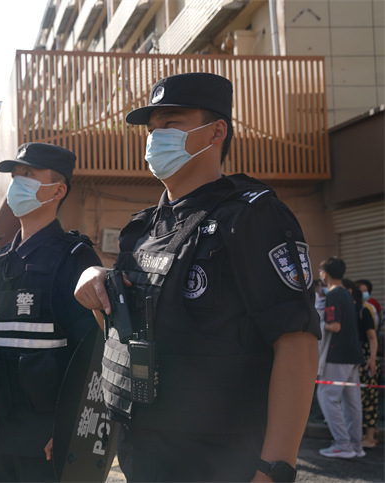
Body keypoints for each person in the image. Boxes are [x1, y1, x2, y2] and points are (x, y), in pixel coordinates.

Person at [74, 72, 320, 482]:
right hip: (144, 453)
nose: (156, 138)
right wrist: (97, 278)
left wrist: (275, 468)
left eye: (171, 124)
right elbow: (127, 332)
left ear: (216, 132)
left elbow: (297, 343)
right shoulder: (143, 229)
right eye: (152, 130)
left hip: (220, 460)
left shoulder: (252, 217)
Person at [0, 143, 103, 481]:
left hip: (46, 437)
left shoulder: (73, 257)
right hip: (0, 430)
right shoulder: (2, 259)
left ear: (58, 190)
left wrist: (71, 427)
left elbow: (91, 352)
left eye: (28, 174)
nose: (17, 183)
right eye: (15, 175)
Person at [316, 261, 365, 459]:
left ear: (325, 274)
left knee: (326, 396)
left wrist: (320, 323)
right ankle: (356, 445)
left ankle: (343, 444)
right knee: (352, 402)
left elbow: (334, 326)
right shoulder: (346, 293)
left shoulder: (334, 294)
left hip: (337, 354)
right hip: (353, 354)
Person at [345, 280, 380, 449]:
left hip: (365, 358)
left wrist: (372, 359)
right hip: (351, 357)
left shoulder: (365, 310)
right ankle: (355, 436)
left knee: (369, 398)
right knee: (353, 400)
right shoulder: (348, 310)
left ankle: (370, 436)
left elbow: (372, 337)